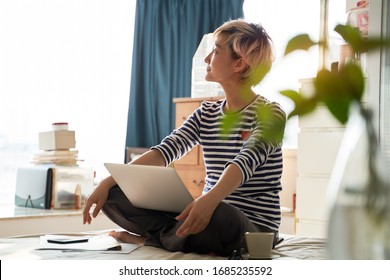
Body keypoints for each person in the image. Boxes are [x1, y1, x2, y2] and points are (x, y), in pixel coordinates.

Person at [82, 18, 286, 257]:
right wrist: (107, 182)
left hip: (251, 229)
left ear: (238, 64)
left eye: (215, 51)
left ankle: (154, 238)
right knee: (114, 195)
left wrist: (209, 201)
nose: (207, 59)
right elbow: (165, 151)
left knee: (222, 215)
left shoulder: (271, 113)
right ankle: (170, 236)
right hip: (207, 215)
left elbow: (246, 161)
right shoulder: (206, 113)